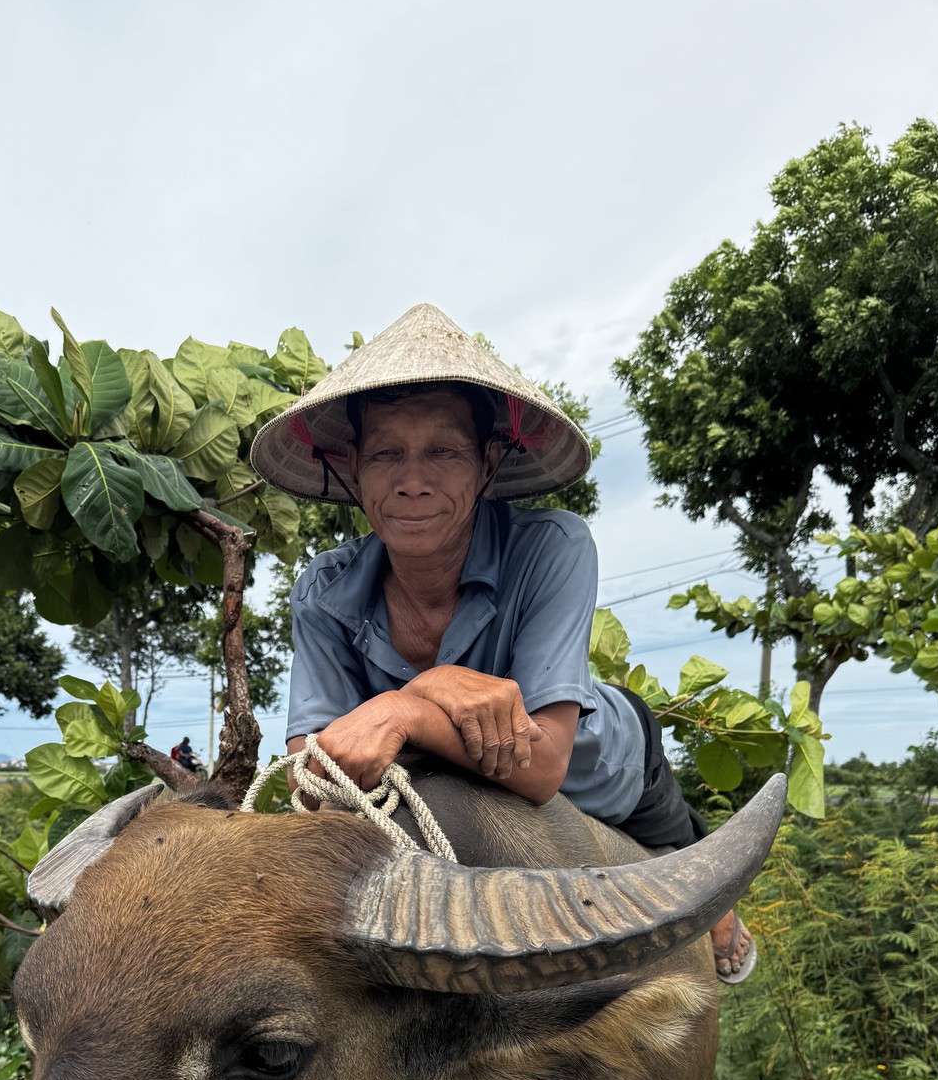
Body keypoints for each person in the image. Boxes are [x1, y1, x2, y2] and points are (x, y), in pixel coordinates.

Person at [248, 303, 756, 982]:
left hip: (596, 757)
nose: (413, 478)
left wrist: (410, 704)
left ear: (489, 463)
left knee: (667, 841)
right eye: (386, 453)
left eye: (444, 451)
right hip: (443, 778)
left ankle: (711, 893)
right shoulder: (323, 587)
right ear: (353, 469)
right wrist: (428, 697)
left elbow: (544, 768)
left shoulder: (554, 545)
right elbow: (314, 779)